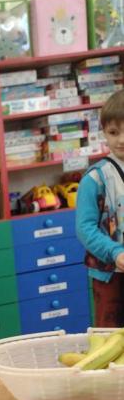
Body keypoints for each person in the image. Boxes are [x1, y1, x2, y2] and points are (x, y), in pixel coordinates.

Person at [76, 90, 124, 326]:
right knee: (111, 337)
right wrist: (115, 252)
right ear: (104, 132)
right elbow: (85, 228)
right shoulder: (95, 178)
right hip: (110, 277)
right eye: (114, 132)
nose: (121, 140)